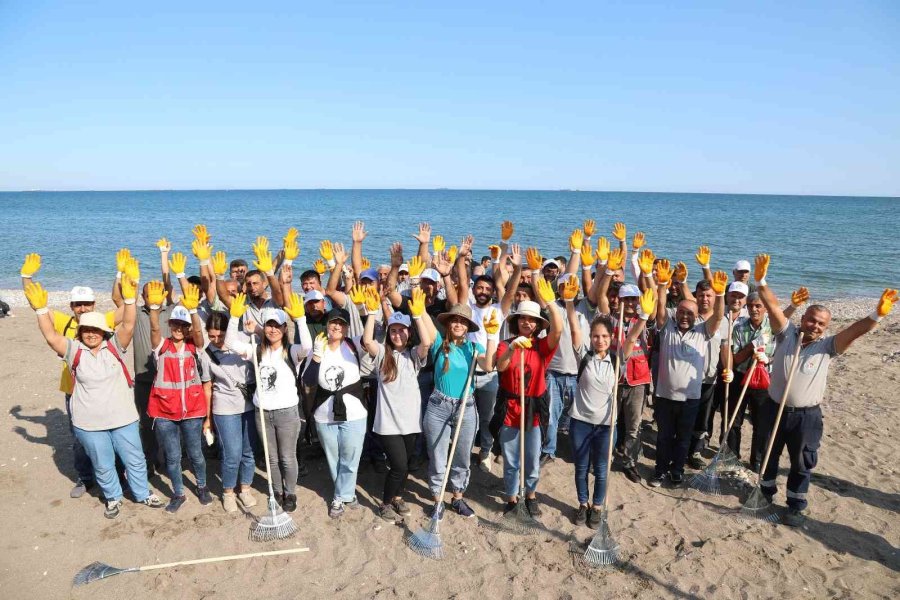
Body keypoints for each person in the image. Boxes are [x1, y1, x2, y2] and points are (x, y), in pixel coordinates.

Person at [753, 255, 896, 526]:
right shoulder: (785, 334)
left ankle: (795, 504)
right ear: (803, 317)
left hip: (806, 416)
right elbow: (772, 307)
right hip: (774, 408)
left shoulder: (828, 346)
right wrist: (761, 281)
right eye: (812, 320)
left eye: (820, 324)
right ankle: (765, 492)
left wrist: (877, 314)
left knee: (802, 462)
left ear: (826, 327)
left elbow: (855, 331)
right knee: (768, 453)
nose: (815, 326)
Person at [23, 277, 165, 519]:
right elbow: (50, 336)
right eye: (86, 330)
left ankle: (142, 493)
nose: (91, 334)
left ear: (103, 331)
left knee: (135, 459)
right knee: (103, 464)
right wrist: (41, 310)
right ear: (80, 332)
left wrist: (130, 298)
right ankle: (113, 498)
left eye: (95, 330)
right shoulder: (73, 351)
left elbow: (129, 325)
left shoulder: (115, 346)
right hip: (89, 424)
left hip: (123, 419)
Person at [20, 252, 121, 497]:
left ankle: (115, 472)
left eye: (87, 303)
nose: (83, 308)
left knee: (112, 432)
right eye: (78, 304)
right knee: (79, 438)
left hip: (104, 389)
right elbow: (38, 303)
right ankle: (85, 477)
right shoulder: (64, 322)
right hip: (74, 389)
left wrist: (119, 275)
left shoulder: (104, 320)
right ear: (71, 306)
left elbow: (125, 308)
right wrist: (26, 277)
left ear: (95, 305)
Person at [566, 283, 655, 526]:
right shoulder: (584, 356)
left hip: (606, 426)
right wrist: (569, 302)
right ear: (591, 338)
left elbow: (632, 338)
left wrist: (644, 316)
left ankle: (596, 507)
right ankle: (582, 504)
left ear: (610, 337)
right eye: (596, 336)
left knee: (602, 470)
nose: (600, 340)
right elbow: (574, 328)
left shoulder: (618, 362)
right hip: (580, 423)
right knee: (581, 468)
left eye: (605, 336)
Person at [226, 293, 311, 513]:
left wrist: (300, 320)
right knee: (271, 458)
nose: (273, 330)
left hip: (287, 413)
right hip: (262, 412)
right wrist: (234, 318)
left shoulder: (291, 351)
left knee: (287, 457)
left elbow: (307, 347)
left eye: (277, 326)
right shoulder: (256, 350)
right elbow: (229, 343)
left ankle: (290, 492)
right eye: (269, 326)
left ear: (284, 329)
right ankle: (277, 491)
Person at [651, 262, 727, 487]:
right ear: (677, 313)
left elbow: (719, 316)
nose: (685, 316)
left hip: (690, 398)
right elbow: (661, 306)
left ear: (696, 316)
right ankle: (660, 470)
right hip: (664, 396)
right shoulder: (667, 329)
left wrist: (720, 294)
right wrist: (662, 285)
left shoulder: (703, 331)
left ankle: (677, 471)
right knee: (664, 437)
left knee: (683, 439)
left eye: (690, 313)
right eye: (682, 312)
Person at [361, 289, 434, 521]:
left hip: (411, 423)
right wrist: (372, 312)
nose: (397, 334)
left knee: (405, 467)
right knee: (399, 466)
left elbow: (427, 341)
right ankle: (385, 502)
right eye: (393, 330)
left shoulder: (414, 356)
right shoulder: (383, 354)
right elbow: (367, 340)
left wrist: (419, 315)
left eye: (401, 330)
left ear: (408, 332)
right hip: (388, 425)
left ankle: (397, 497)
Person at [494, 277, 561, 517]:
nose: (527, 322)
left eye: (532, 320)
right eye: (523, 318)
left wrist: (551, 302)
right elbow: (500, 367)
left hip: (534, 408)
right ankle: (512, 498)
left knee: (532, 459)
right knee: (511, 458)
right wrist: (513, 349)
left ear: (537, 325)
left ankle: (531, 495)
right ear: (517, 321)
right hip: (510, 406)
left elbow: (559, 329)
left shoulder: (542, 347)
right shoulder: (505, 345)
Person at [425, 303, 497, 518]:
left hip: (466, 407)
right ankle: (438, 501)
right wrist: (419, 310)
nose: (458, 324)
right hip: (438, 406)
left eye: (463, 321)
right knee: (437, 456)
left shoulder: (474, 348)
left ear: (468, 327)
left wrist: (492, 335)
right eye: (455, 320)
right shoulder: (438, 341)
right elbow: (425, 324)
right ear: (448, 323)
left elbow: (489, 366)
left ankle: (457, 498)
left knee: (462, 456)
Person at [147, 283, 213, 513]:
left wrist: (194, 313)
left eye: (182, 325)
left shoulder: (195, 348)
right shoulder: (162, 346)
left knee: (196, 454)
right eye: (175, 323)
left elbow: (198, 334)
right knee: (173, 458)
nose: (178, 328)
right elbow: (154, 331)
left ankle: (202, 487)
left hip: (193, 410)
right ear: (170, 325)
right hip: (164, 411)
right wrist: (154, 307)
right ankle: (178, 493)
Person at [457, 241, 521, 474]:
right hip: (466, 372)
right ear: (475, 290)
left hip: (490, 374)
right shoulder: (468, 308)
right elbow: (462, 283)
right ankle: (460, 452)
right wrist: (461, 258)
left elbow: (512, 293)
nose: (483, 291)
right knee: (462, 415)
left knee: (487, 417)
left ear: (493, 292)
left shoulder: (497, 310)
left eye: (487, 289)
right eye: (480, 288)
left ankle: (485, 451)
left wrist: (518, 270)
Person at [302, 306, 368, 519]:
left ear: (347, 327)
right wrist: (317, 357)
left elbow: (369, 339)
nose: (337, 326)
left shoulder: (354, 344)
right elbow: (308, 381)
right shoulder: (317, 347)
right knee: (334, 458)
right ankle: (346, 493)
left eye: (341, 323)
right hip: (324, 414)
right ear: (326, 325)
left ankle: (340, 496)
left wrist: (371, 311)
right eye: (333, 322)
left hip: (355, 413)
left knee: (351, 455)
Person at [201, 311, 259, 512]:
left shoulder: (242, 341)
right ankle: (228, 492)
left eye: (220, 335)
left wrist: (255, 331)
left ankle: (245, 488)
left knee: (249, 451)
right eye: (212, 336)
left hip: (249, 404)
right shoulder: (206, 353)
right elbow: (207, 387)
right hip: (224, 408)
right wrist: (207, 419)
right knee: (232, 453)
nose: (216, 340)